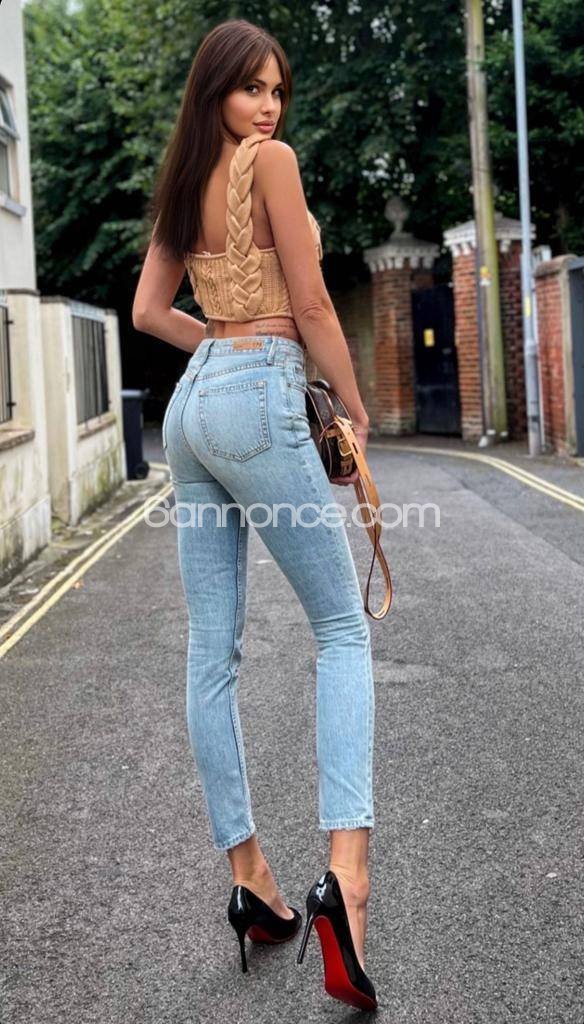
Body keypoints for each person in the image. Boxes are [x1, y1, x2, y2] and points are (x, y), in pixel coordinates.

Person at [132, 18, 378, 1011]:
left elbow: (149, 312)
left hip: (190, 409)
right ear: (216, 92)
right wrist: (352, 407)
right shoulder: (269, 163)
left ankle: (252, 881)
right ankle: (347, 884)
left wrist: (220, 351)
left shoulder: (181, 175)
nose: (268, 106)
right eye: (250, 88)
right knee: (341, 629)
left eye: (277, 89)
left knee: (212, 654)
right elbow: (312, 306)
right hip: (256, 389)